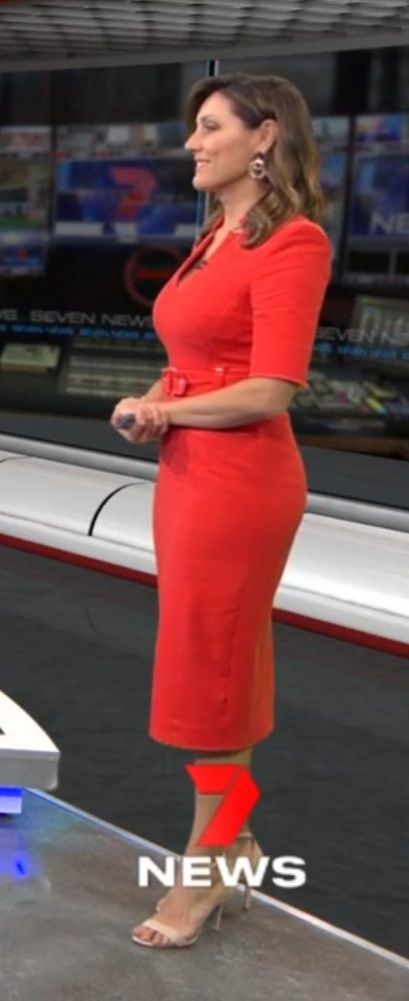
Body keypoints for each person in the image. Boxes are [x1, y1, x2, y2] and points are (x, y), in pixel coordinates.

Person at [110, 72, 332, 949]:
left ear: (264, 135)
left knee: (218, 682)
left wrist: (170, 413)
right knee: (207, 673)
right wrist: (153, 400)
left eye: (209, 128)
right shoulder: (216, 235)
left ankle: (206, 868)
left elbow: (271, 387)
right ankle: (233, 843)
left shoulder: (293, 242)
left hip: (239, 485)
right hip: (190, 476)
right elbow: (196, 360)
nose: (192, 144)